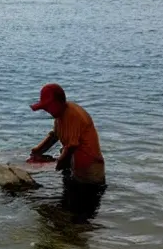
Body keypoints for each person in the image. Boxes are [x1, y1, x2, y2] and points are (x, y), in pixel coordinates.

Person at [29, 83, 106, 220]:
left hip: (90, 175)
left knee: (81, 217)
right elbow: (54, 136)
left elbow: (71, 147)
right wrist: (38, 151)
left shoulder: (73, 115)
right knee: (66, 207)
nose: (46, 110)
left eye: (48, 106)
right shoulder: (60, 117)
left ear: (59, 102)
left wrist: (55, 164)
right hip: (75, 170)